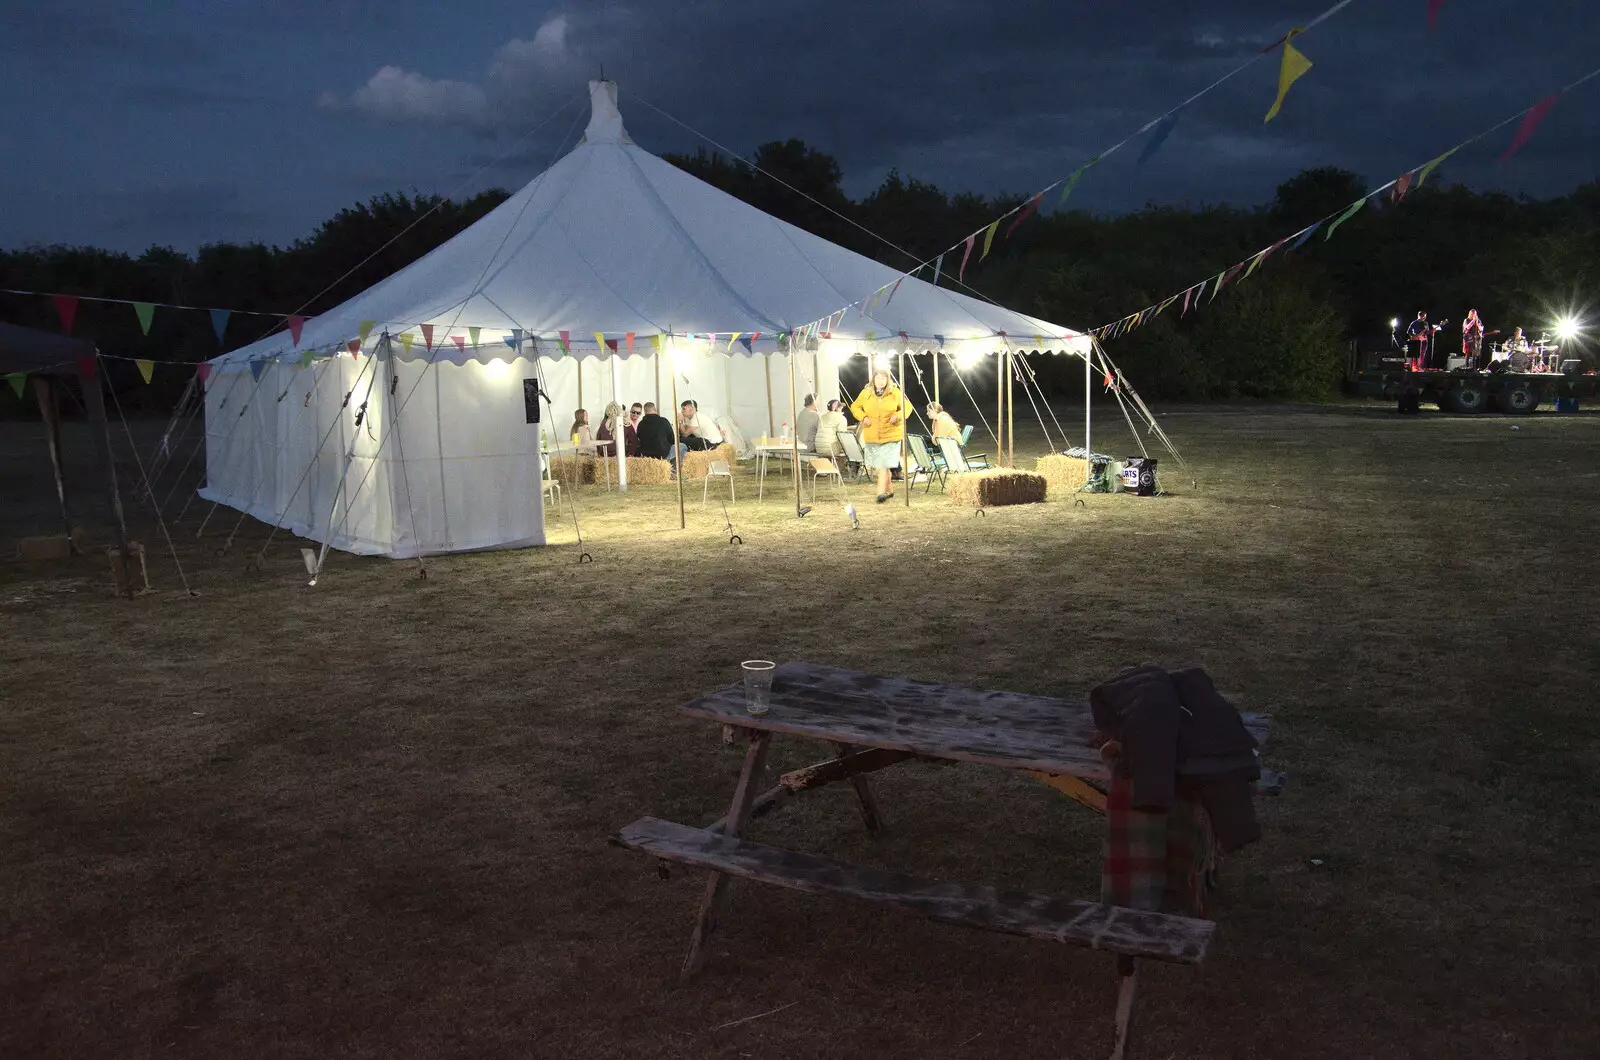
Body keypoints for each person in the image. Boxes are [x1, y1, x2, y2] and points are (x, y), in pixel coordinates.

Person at [850, 367, 911, 503]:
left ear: (887, 380)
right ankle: (889, 491)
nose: (880, 381)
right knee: (880, 465)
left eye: (883, 378)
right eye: (878, 378)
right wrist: (863, 417)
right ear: (873, 379)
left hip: (891, 435)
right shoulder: (866, 393)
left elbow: (907, 407)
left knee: (884, 464)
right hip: (873, 435)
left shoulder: (894, 392)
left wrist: (898, 416)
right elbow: (855, 407)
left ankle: (880, 493)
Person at [636, 401, 684, 470]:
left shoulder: (640, 424)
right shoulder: (664, 421)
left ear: (644, 411)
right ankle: (674, 471)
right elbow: (672, 439)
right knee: (682, 446)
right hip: (661, 454)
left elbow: (639, 438)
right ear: (655, 410)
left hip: (645, 454)